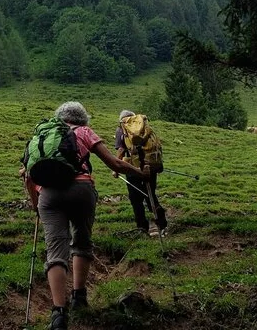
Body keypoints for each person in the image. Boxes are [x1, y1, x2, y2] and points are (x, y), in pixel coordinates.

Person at [22, 102, 149, 330]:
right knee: (81, 241)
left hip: (48, 195)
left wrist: (35, 205)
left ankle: (59, 313)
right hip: (81, 189)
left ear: (59, 117)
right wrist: (140, 173)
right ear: (83, 118)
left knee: (55, 250)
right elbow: (114, 163)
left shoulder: (41, 136)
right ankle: (79, 297)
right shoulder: (84, 131)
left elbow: (28, 176)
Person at [114, 109, 167, 236]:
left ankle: (142, 227)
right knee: (150, 194)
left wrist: (115, 169)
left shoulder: (122, 129)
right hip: (150, 166)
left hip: (133, 169)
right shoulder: (144, 126)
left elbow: (121, 150)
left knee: (135, 198)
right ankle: (161, 222)